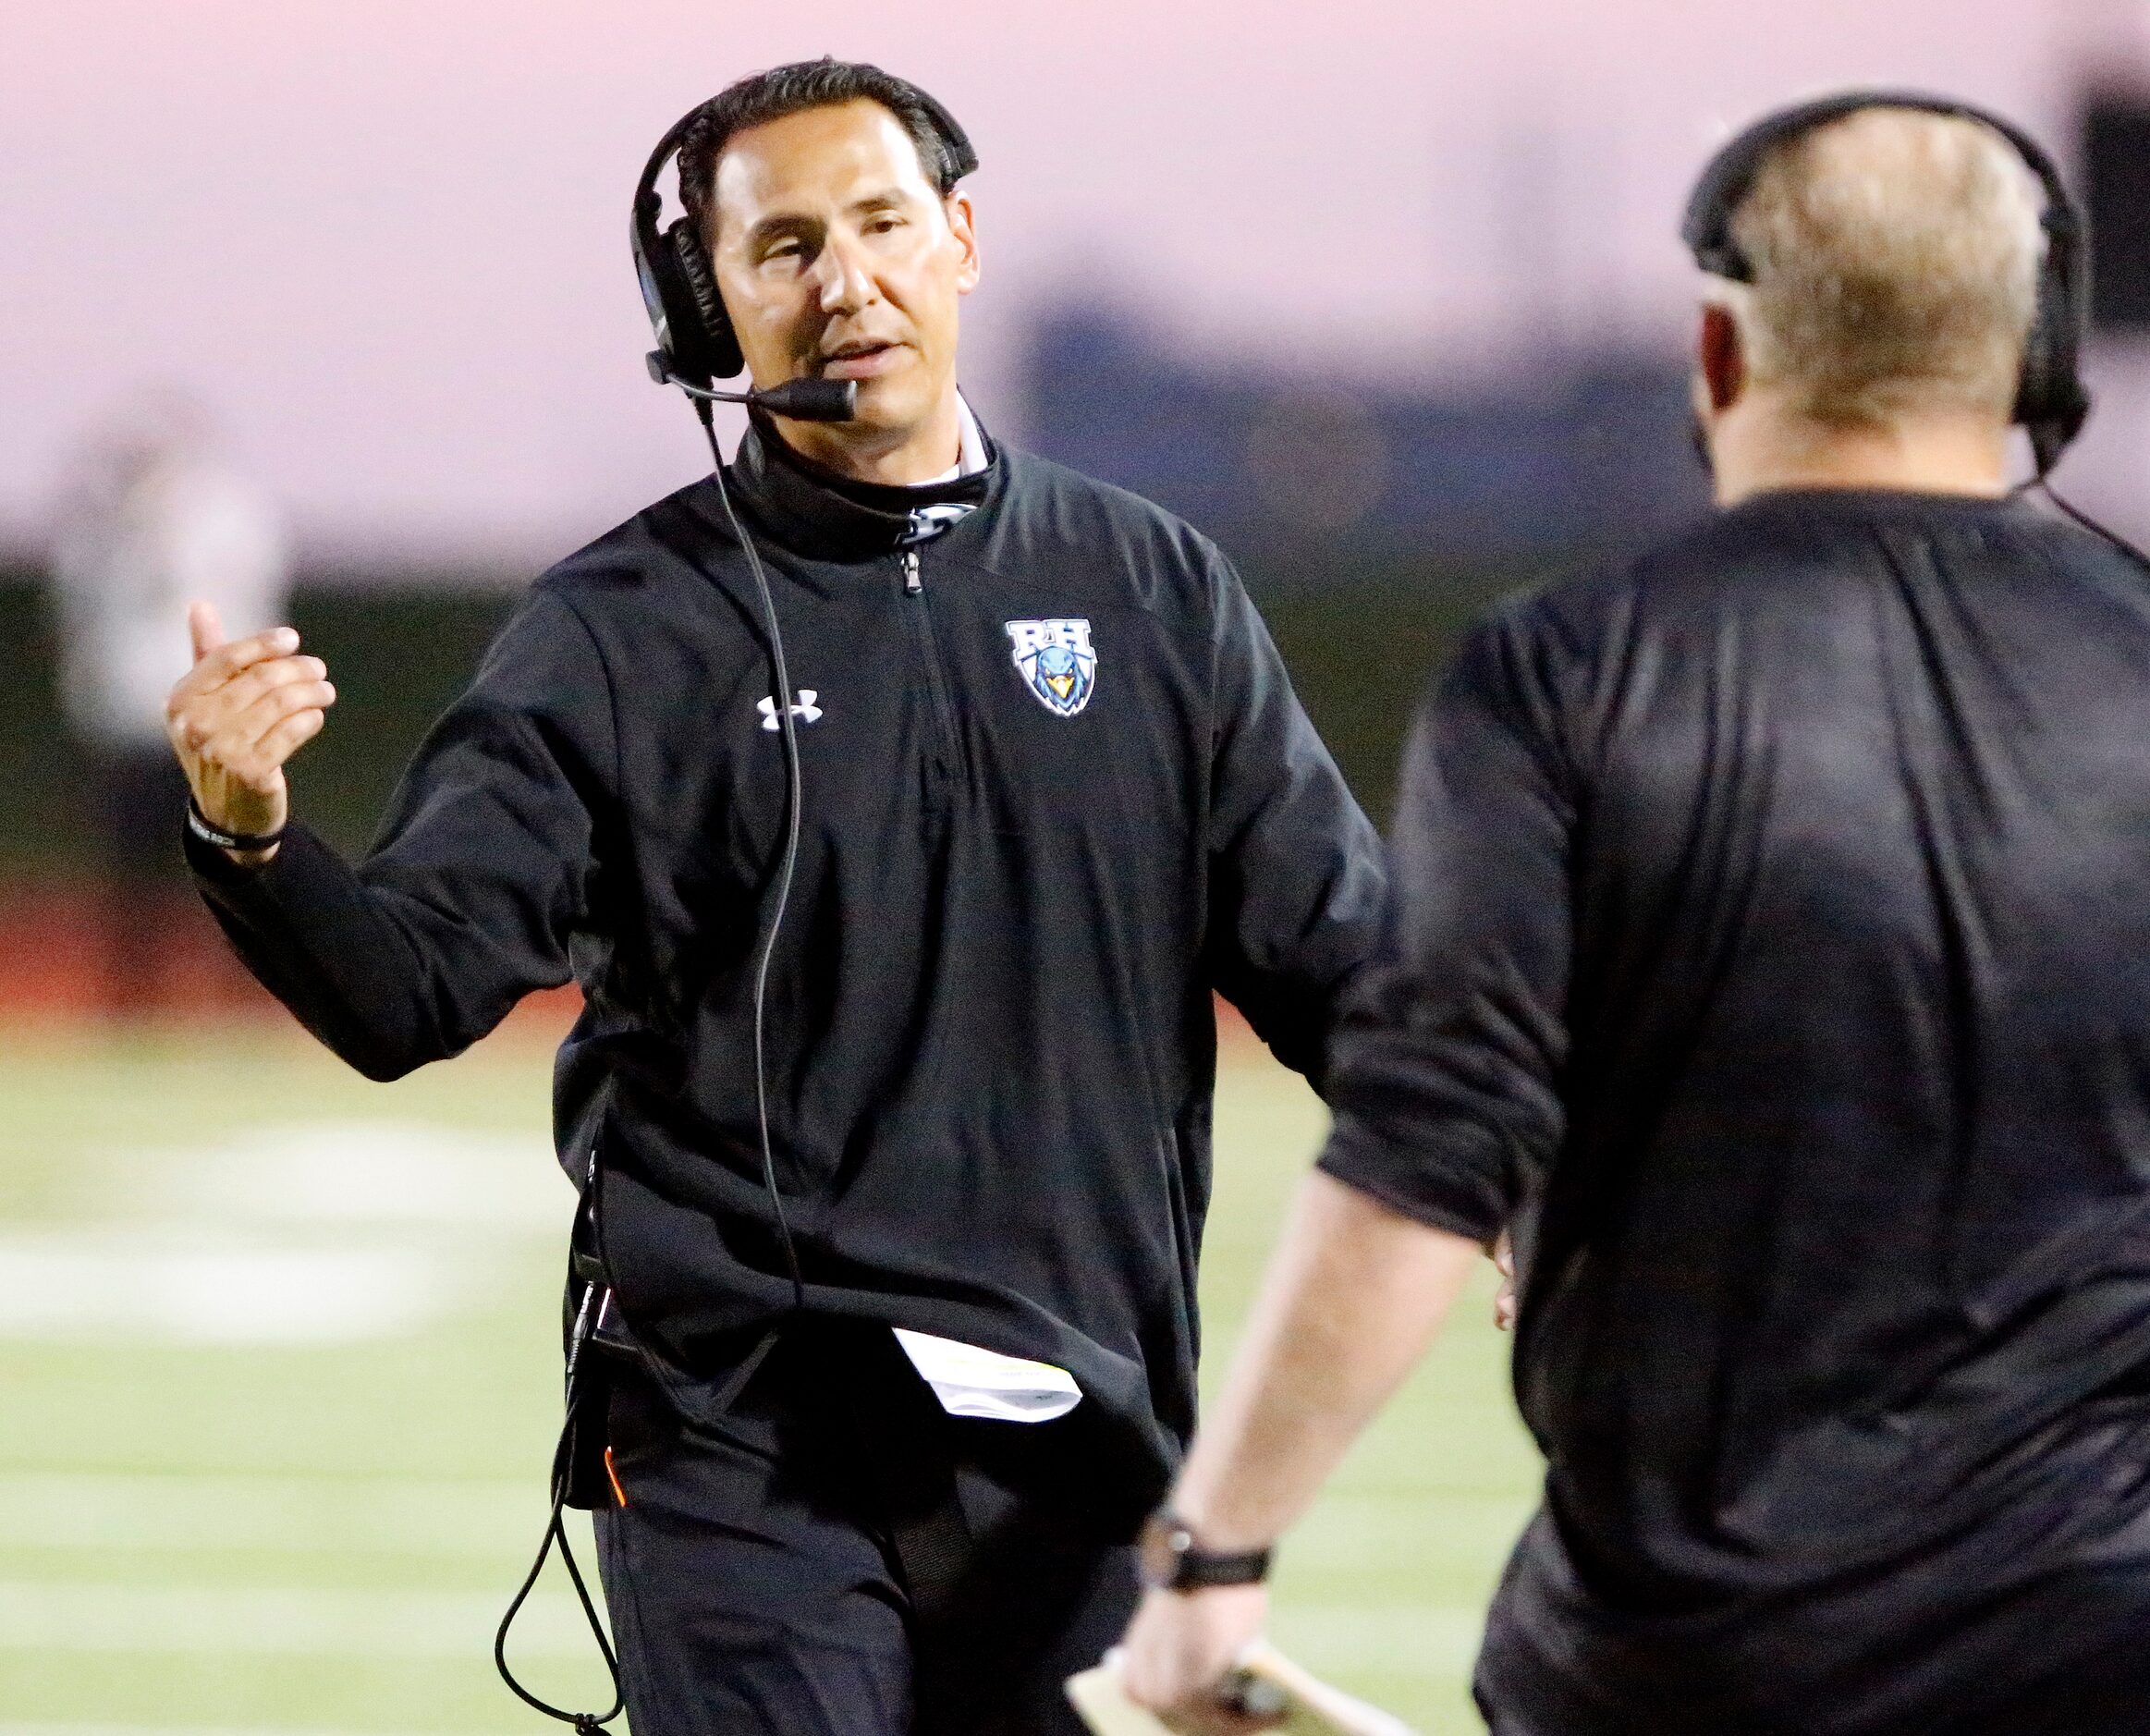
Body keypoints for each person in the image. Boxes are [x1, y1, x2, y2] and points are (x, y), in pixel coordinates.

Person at [162, 59, 1383, 1736]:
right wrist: (252, 833)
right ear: (710, 309)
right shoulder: (615, 627)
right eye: (781, 248)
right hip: (739, 1438)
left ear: (958, 239)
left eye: (880, 224)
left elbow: (1344, 963)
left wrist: (1523, 1180)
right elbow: (404, 992)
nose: (843, 283)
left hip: (1079, 1434)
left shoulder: (1152, 587)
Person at [1118, 94, 2150, 1736]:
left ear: (1717, 352)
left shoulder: (1565, 676)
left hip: (1686, 1663)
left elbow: (1425, 1152)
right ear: (2034, 363)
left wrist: (1208, 1558)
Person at [50, 392, 287, 1016]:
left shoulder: (225, 515)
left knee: (237, 863)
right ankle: (137, 1001)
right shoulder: (101, 523)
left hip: (213, 723)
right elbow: (85, 617)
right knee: (136, 872)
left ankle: (247, 1000)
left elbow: (239, 594)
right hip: (133, 722)